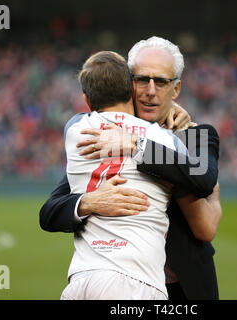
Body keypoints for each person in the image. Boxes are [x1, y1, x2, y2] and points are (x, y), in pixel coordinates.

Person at [39, 37, 221, 299]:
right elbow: (50, 213)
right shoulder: (101, 136)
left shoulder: (196, 135)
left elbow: (204, 191)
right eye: (141, 79)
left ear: (176, 88)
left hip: (185, 286)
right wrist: (89, 201)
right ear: (127, 83)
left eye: (160, 81)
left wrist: (136, 143)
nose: (150, 90)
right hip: (122, 281)